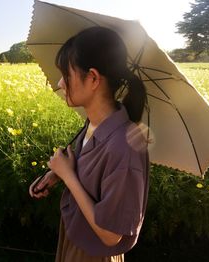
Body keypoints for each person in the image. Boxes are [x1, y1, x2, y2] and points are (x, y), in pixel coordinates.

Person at [29, 26, 149, 262]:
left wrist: (69, 177)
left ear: (93, 78)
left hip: (95, 255)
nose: (60, 83)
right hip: (75, 241)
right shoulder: (92, 125)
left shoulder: (125, 147)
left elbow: (110, 234)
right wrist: (57, 175)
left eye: (66, 74)